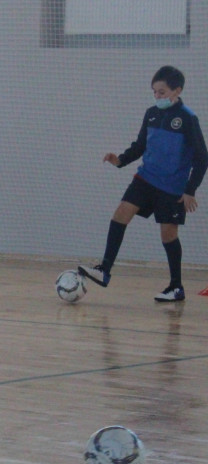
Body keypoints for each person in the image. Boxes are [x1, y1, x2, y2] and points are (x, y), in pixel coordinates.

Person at [79, 65, 207, 302]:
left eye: (162, 92)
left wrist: (190, 190)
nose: (157, 96)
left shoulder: (188, 118)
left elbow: (202, 158)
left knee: (168, 234)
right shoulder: (151, 114)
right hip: (146, 178)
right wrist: (120, 160)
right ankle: (104, 269)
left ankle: (176, 287)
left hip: (172, 187)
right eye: (154, 92)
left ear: (177, 90)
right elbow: (140, 145)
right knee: (121, 213)